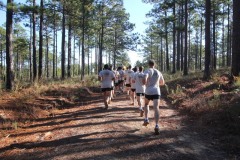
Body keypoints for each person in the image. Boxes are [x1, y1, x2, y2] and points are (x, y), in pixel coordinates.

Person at [142, 59, 165, 135]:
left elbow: (145, 78)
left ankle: (146, 119)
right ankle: (157, 125)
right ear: (154, 64)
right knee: (156, 108)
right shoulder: (158, 72)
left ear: (149, 64)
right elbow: (162, 83)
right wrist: (156, 84)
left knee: (146, 104)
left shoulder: (148, 70)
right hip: (156, 91)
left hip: (148, 90)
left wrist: (145, 82)